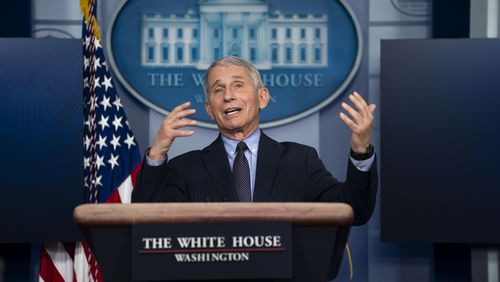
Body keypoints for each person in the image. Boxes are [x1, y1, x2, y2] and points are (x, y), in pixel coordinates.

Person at [132, 56, 377, 225]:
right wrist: (157, 155)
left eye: (238, 85)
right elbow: (146, 222)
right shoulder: (185, 169)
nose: (228, 96)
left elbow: (354, 210)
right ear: (209, 108)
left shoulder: (300, 161)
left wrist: (360, 149)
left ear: (262, 97)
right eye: (218, 89)